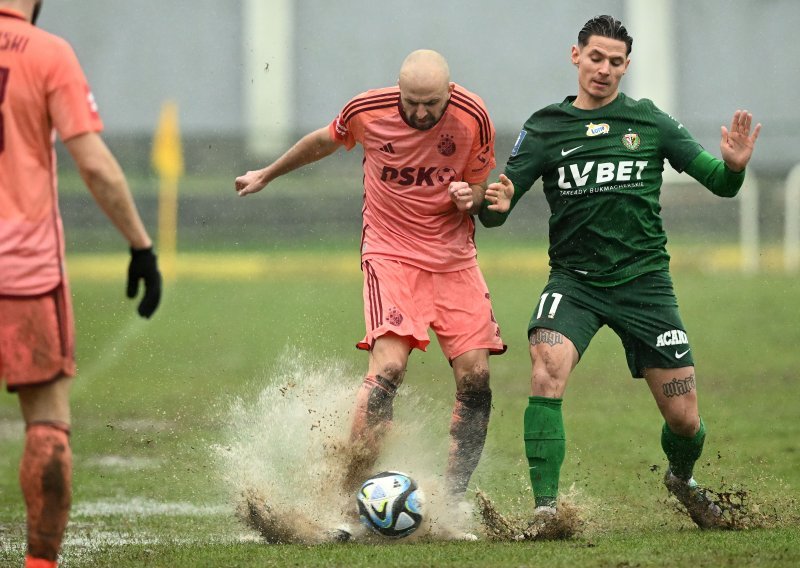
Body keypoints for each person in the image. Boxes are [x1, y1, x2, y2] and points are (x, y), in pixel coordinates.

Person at [480, 15, 761, 537]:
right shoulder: (545, 127)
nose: (604, 70)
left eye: (615, 62)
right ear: (575, 56)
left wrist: (735, 166)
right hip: (574, 283)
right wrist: (491, 204)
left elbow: (719, 184)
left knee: (683, 418)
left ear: (626, 66)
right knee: (545, 366)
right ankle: (545, 510)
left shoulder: (649, 123)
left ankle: (681, 478)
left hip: (645, 286)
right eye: (595, 58)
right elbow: (497, 209)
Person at [235, 49, 510, 538]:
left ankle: (449, 504)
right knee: (388, 369)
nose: (421, 113)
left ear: (450, 92)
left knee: (477, 376)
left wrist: (471, 197)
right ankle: (344, 499)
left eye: (432, 104)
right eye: (412, 102)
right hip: (390, 253)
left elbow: (479, 186)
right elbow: (322, 141)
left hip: (453, 259)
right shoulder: (367, 110)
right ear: (397, 90)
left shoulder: (474, 117)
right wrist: (267, 173)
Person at [0, 1, 162, 566]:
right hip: (22, 271)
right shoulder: (46, 53)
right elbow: (93, 163)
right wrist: (141, 246)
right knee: (46, 426)